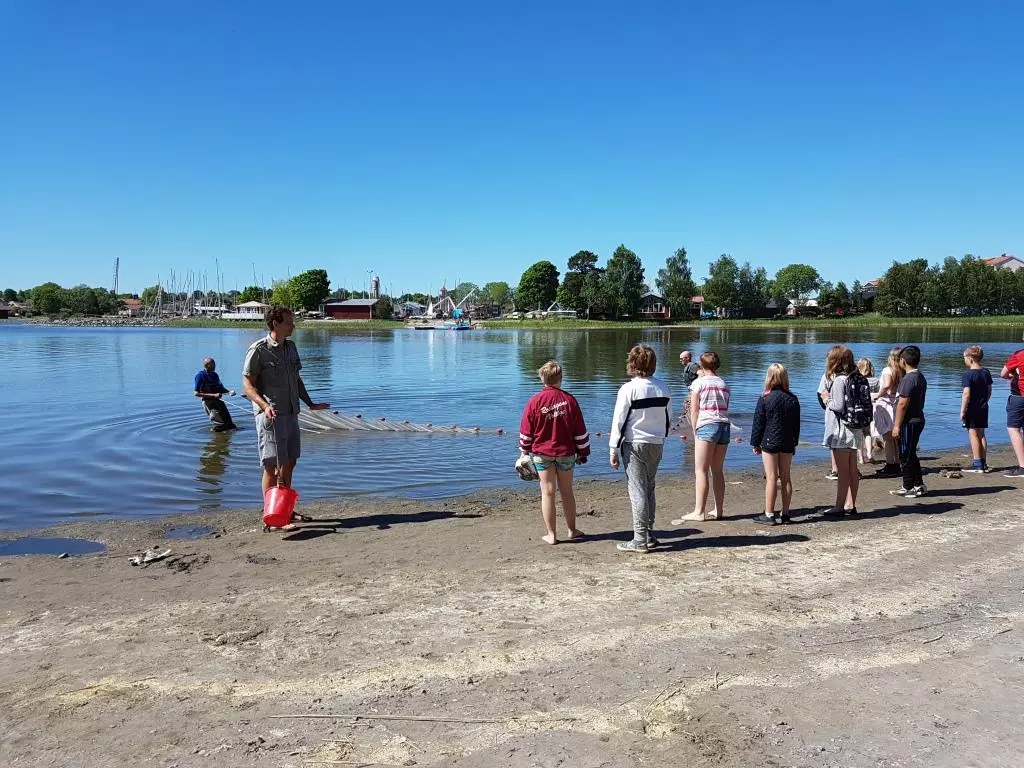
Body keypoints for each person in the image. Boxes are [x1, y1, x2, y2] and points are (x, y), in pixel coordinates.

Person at [242, 306, 330, 531]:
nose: (293, 326)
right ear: (275, 325)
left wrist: (310, 403)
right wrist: (264, 406)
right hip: (270, 415)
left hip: (291, 412)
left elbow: (297, 380)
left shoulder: (291, 347)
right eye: (289, 322)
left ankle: (284, 510)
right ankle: (272, 517)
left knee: (290, 461)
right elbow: (248, 385)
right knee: (272, 465)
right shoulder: (258, 350)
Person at [518, 360, 590, 545]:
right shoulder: (569, 400)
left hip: (542, 453)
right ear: (561, 378)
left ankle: (551, 534)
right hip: (566, 452)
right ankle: (572, 530)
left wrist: (524, 452)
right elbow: (580, 431)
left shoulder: (534, 402)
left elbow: (526, 432)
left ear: (542, 378)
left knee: (547, 492)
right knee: (567, 491)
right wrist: (583, 452)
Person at [609, 345, 672, 553]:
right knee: (649, 487)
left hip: (634, 443)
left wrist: (613, 448)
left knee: (637, 490)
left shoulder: (628, 389)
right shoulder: (663, 387)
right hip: (656, 442)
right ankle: (649, 533)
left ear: (632, 364)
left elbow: (619, 421)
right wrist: (661, 437)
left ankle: (639, 539)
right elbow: (668, 418)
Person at [676, 351, 731, 523]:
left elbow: (694, 410)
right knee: (717, 470)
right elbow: (725, 407)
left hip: (706, 425)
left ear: (702, 365)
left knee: (700, 470)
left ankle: (699, 511)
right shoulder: (723, 384)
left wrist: (694, 430)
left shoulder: (698, 383)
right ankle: (719, 509)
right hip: (724, 426)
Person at [749, 363, 800, 525]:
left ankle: (769, 513)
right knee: (785, 478)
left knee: (771, 478)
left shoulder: (765, 398)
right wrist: (794, 442)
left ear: (769, 378)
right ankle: (785, 513)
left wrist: (755, 443)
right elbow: (796, 424)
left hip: (769, 441)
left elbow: (759, 423)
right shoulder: (792, 399)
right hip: (787, 442)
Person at [821, 345, 866, 517]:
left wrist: (826, 399)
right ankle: (850, 504)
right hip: (855, 427)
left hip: (841, 429)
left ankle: (839, 506)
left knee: (843, 471)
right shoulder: (856, 377)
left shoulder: (840, 380)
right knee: (852, 469)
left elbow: (838, 406)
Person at [890, 345, 927, 498]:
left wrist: (897, 425)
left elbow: (902, 404)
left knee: (905, 455)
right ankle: (918, 484)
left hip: (909, 422)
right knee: (910, 453)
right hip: (917, 419)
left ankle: (908, 486)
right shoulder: (920, 376)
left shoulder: (909, 379)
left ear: (903, 361)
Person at [871, 347, 903, 477]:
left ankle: (891, 465)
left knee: (887, 438)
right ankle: (897, 462)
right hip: (896, 404)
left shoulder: (887, 370)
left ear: (890, 357)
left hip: (886, 405)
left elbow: (887, 384)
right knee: (894, 438)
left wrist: (877, 395)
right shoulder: (902, 371)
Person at [961, 345, 992, 473]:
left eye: (965, 358)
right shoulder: (986, 372)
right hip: (984, 407)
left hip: (972, 408)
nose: (964, 360)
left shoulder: (968, 375)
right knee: (982, 434)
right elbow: (989, 390)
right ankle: (983, 462)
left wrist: (963, 410)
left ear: (971, 359)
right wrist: (985, 401)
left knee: (973, 433)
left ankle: (977, 463)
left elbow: (966, 394)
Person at [999, 343, 1024, 478]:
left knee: (1014, 429)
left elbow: (1003, 373)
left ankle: (1022, 466)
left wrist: (1011, 376)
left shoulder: (1019, 355)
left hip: (1019, 397)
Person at [194, 357, 237, 432]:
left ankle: (221, 441)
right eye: (213, 364)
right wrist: (213, 395)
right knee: (221, 425)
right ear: (207, 365)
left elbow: (220, 388)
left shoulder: (215, 375)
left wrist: (229, 392)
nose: (215, 366)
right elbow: (196, 393)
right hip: (208, 402)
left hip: (218, 401)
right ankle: (215, 438)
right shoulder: (200, 376)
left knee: (230, 425)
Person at [818, 368, 840, 481]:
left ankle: (835, 469)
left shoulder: (828, 376)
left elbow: (820, 394)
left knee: (833, 441)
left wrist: (826, 404)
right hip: (849, 413)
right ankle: (852, 469)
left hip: (832, 411)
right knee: (849, 442)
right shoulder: (851, 375)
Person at [856, 358, 877, 465]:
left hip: (859, 409)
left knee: (859, 433)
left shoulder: (857, 380)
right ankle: (869, 453)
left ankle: (861, 458)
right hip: (870, 409)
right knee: (867, 432)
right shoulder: (875, 380)